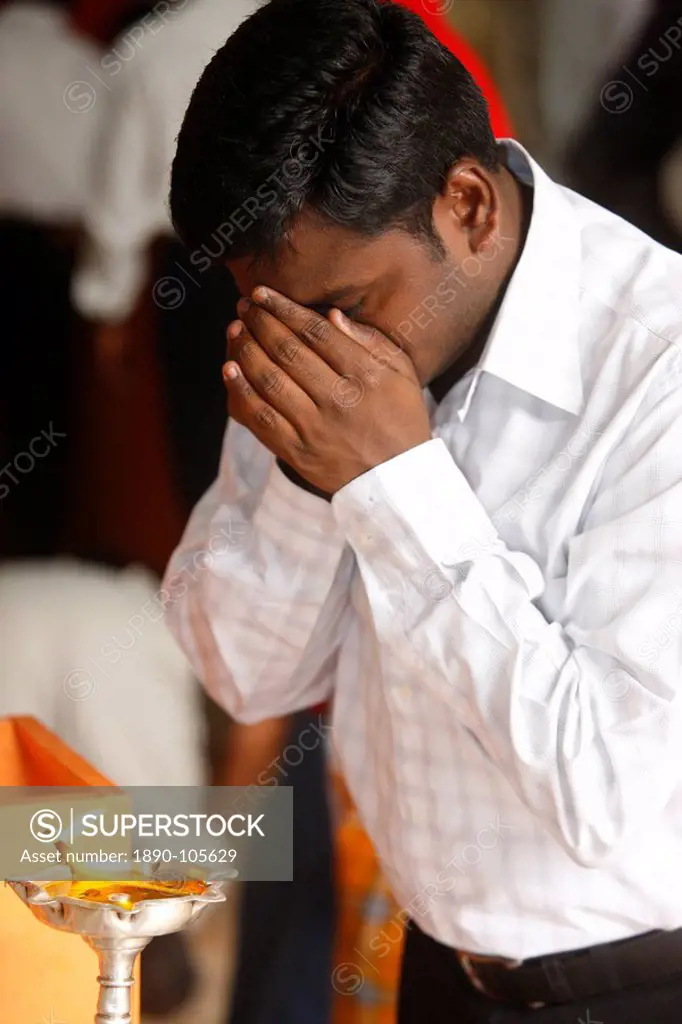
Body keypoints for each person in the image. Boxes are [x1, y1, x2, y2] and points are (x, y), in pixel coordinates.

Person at [163, 0, 682, 1021]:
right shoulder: (316, 323)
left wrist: (393, 486)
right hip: (439, 974)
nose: (316, 355)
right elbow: (247, 670)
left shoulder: (658, 374)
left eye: (348, 310)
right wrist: (314, 484)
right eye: (277, 316)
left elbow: (609, 800)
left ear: (468, 205)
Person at [72, 0, 257, 511]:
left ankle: (208, 580)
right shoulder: (309, 28)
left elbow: (118, 201)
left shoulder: (152, 50)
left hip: (192, 276)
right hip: (296, 263)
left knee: (201, 444)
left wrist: (106, 309)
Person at [0, 0, 104, 556]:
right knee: (48, 409)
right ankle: (41, 542)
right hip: (55, 258)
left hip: (22, 249)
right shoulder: (83, 62)